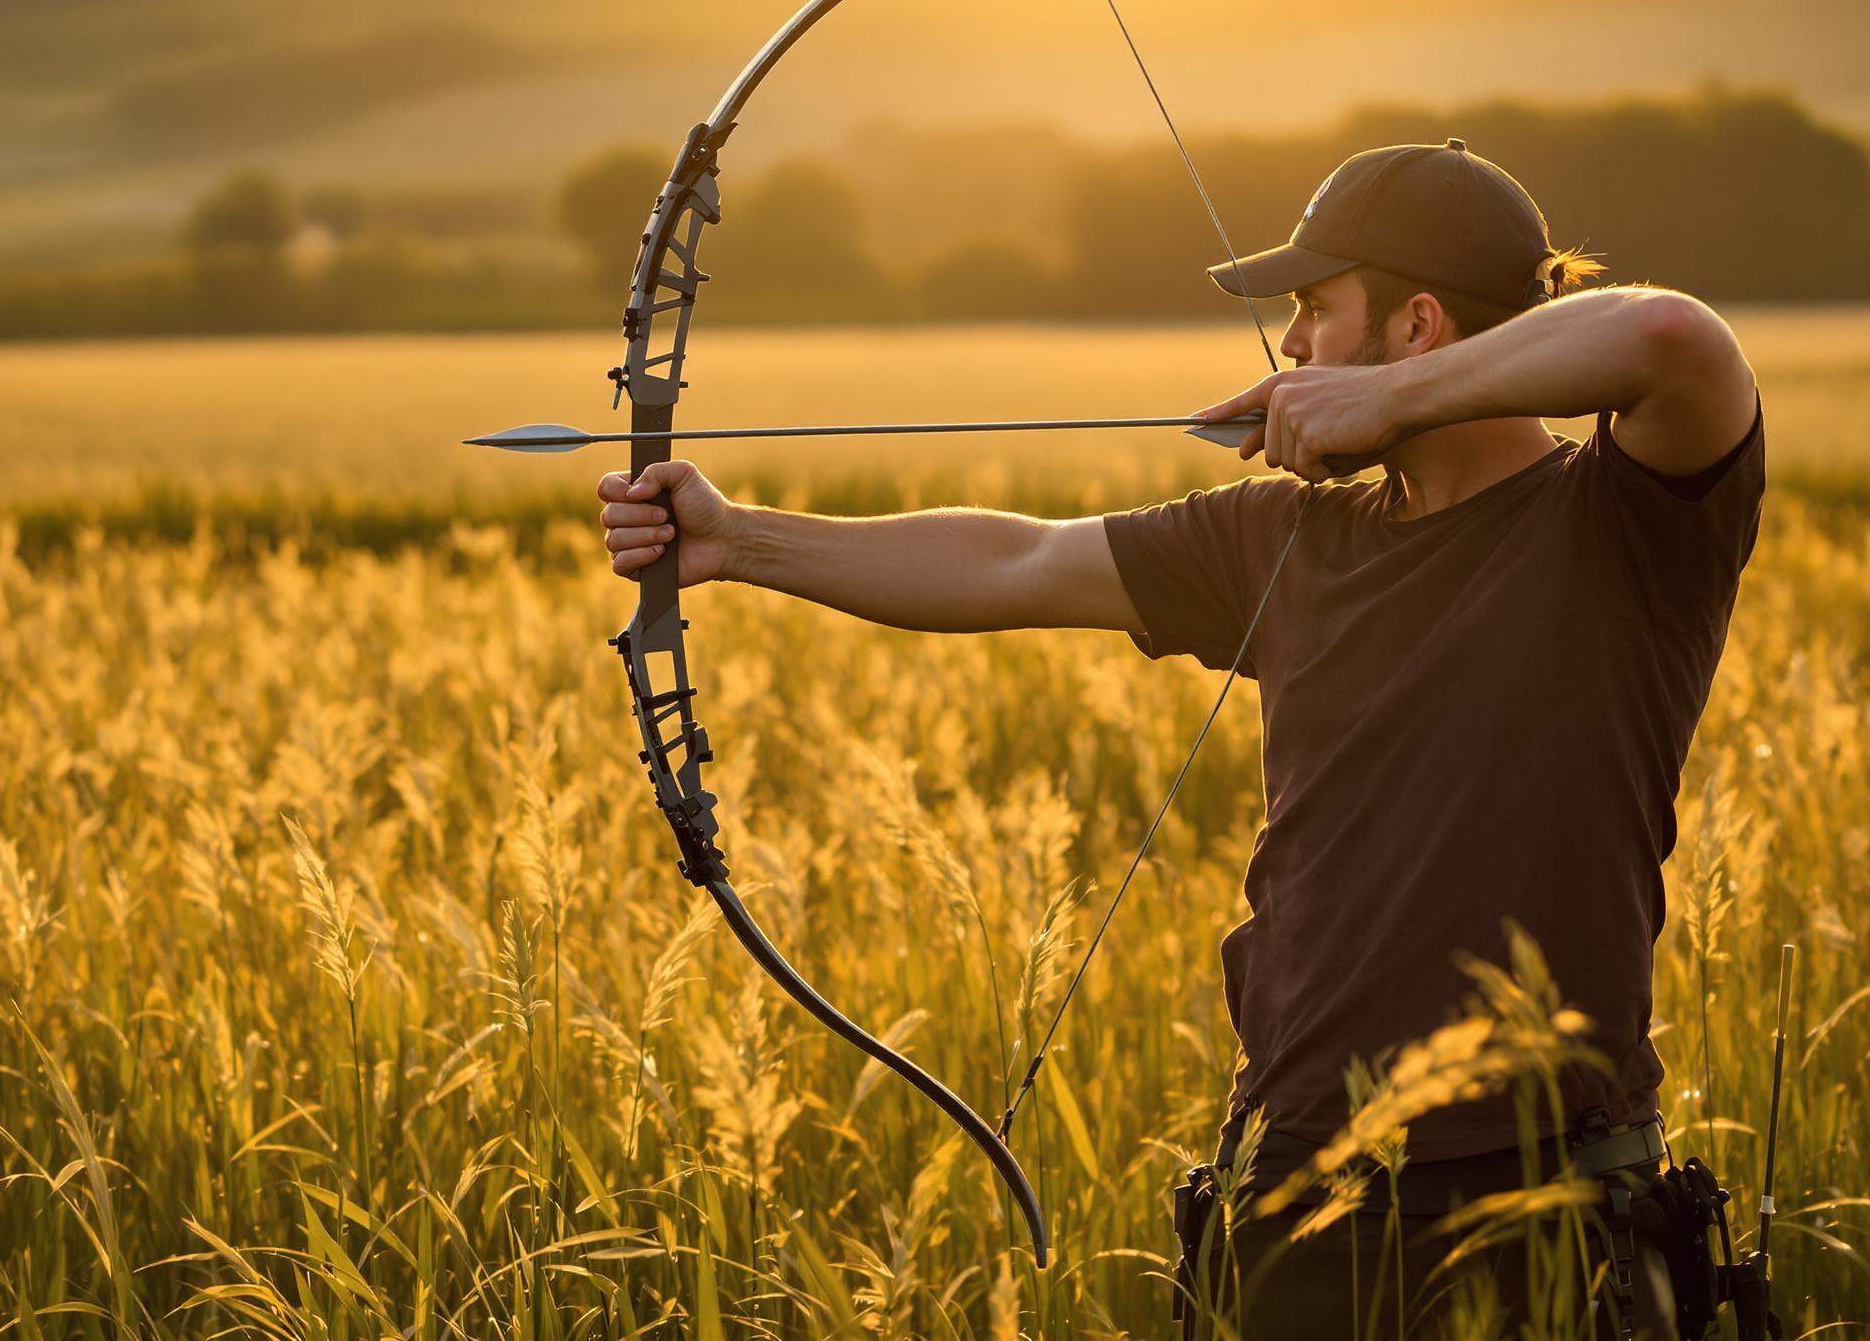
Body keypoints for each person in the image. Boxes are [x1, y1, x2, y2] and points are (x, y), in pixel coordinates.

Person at [596, 139, 1763, 1338]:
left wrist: (1387, 402)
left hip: (1549, 1216)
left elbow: (1673, 340)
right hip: (1295, 1202)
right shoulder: (1283, 539)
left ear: (1419, 325)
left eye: (1315, 309)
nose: (1292, 348)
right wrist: (739, 542)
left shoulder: (1625, 525)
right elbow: (1023, 557)